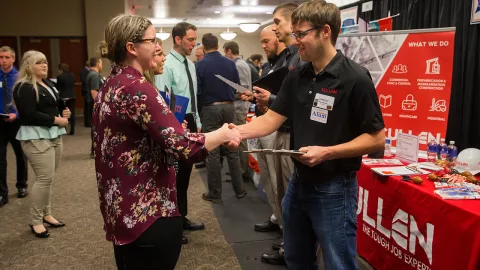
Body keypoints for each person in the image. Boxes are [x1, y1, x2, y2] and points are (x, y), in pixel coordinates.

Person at [231, 0, 385, 269]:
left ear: (325, 31)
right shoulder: (298, 74)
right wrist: (231, 132)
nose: (295, 41)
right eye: (295, 34)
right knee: (296, 258)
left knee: (339, 262)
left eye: (301, 34)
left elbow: (376, 138)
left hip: (335, 188)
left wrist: (327, 152)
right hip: (299, 183)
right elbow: (270, 120)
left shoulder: (354, 78)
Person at [94, 14, 241, 269]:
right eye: (152, 40)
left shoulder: (113, 82)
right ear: (132, 48)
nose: (159, 47)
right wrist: (224, 134)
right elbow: (184, 147)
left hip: (123, 207)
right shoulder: (137, 87)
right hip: (147, 212)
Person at [156, 22, 206, 241]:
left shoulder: (190, 64)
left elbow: (192, 96)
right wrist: (175, 127)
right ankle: (171, 225)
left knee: (184, 176)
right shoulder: (166, 64)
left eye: (195, 40)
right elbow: (163, 99)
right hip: (176, 122)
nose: (194, 44)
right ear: (177, 39)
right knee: (173, 176)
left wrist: (197, 121)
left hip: (190, 120)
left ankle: (181, 217)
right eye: (190, 40)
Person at [13, 50, 71, 238]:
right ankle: (36, 220)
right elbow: (29, 114)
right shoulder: (24, 87)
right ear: (29, 65)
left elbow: (56, 104)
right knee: (44, 178)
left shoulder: (46, 84)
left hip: (53, 135)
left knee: (49, 178)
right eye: (39, 63)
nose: (44, 65)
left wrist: (65, 112)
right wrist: (56, 120)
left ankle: (46, 214)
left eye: (45, 62)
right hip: (36, 137)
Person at [196, 34, 247, 203]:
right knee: (232, 148)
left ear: (203, 46)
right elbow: (236, 86)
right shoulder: (230, 64)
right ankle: (239, 189)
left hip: (211, 108)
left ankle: (215, 193)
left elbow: (199, 91)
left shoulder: (200, 65)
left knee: (213, 151)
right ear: (218, 46)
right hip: (229, 106)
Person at [0, 46, 28, 207]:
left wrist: (15, 115)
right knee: (1, 159)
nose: (3, 60)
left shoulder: (19, 77)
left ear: (13, 59)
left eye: (6, 57)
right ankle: (2, 193)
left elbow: (24, 101)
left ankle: (22, 185)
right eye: (1, 57)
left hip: (16, 121)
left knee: (20, 155)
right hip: (0, 122)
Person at [223, 40, 253, 183]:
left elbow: (243, 89)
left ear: (229, 51)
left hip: (240, 107)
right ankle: (241, 170)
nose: (224, 55)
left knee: (240, 140)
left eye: (225, 52)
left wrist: (227, 93)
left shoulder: (239, 65)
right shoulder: (240, 64)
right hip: (240, 106)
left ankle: (243, 171)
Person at [85, 57, 103, 158]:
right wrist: (99, 106)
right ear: (97, 64)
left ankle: (94, 149)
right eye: (101, 63)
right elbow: (94, 91)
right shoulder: (94, 75)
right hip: (94, 104)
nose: (101, 65)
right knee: (96, 127)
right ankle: (95, 150)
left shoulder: (91, 74)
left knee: (95, 127)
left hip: (90, 103)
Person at [56, 63, 76, 135]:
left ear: (60, 69)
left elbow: (58, 87)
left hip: (63, 97)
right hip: (72, 96)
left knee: (63, 113)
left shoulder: (60, 77)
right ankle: (72, 130)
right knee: (72, 113)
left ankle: (64, 128)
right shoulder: (72, 75)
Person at [80, 62, 90, 127]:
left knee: (87, 107)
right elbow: (84, 81)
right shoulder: (84, 71)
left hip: (86, 91)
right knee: (87, 107)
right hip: (86, 91)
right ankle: (87, 122)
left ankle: (87, 122)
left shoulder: (85, 71)